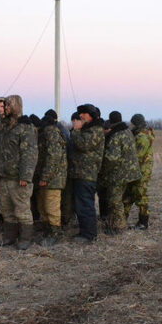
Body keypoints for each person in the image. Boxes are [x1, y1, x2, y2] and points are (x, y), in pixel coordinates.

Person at [0, 95, 38, 249]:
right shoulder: (5, 127)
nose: (4, 109)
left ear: (15, 106)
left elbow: (29, 154)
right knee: (6, 209)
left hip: (18, 178)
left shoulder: (26, 127)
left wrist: (25, 176)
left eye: (7, 106)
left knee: (22, 209)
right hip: (5, 176)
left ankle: (25, 238)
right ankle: (10, 237)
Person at [99, 112, 141, 235]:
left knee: (114, 201)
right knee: (120, 200)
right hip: (131, 172)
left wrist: (103, 170)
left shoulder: (116, 136)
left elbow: (111, 158)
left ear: (110, 122)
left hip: (119, 174)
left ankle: (118, 228)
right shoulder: (128, 132)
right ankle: (116, 224)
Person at [70, 104, 105, 243]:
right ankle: (84, 231)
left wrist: (76, 131)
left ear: (90, 115)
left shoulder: (95, 130)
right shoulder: (88, 129)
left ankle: (89, 235)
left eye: (83, 114)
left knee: (85, 205)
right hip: (80, 173)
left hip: (87, 174)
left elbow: (84, 145)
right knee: (80, 205)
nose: (81, 117)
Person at [34, 113, 67, 245]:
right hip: (47, 178)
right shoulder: (47, 134)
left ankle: (55, 233)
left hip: (53, 179)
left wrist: (45, 177)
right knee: (43, 206)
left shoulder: (51, 134)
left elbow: (53, 158)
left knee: (51, 206)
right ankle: (47, 231)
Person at [124, 113, 155, 229]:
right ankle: (122, 220)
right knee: (128, 195)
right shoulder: (139, 135)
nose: (131, 126)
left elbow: (137, 156)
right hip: (136, 170)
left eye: (132, 124)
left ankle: (143, 222)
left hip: (141, 171)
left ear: (136, 124)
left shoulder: (142, 137)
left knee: (140, 195)